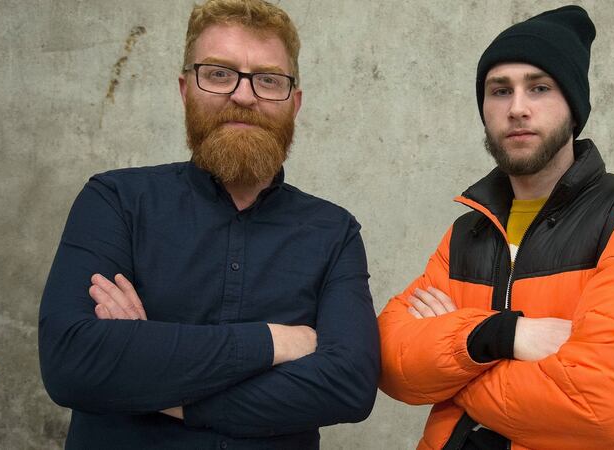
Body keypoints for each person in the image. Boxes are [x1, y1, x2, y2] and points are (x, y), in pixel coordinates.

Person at [38, 1, 379, 448]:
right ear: (185, 90)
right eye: (218, 73)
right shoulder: (116, 201)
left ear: (294, 104)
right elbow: (72, 363)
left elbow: (349, 386)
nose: (243, 95)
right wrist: (273, 343)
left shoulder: (333, 231)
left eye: (268, 79)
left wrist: (155, 381)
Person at [378, 5, 614, 450]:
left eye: (539, 88)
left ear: (573, 104)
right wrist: (503, 335)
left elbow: (607, 406)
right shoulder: (468, 231)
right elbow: (391, 361)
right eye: (500, 90)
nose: (518, 108)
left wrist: (454, 374)